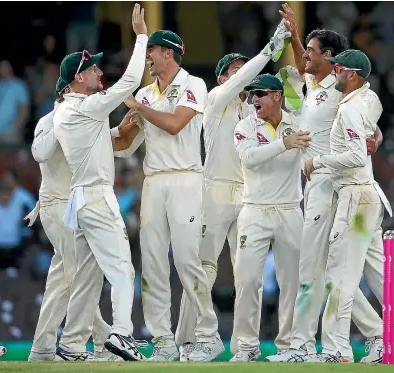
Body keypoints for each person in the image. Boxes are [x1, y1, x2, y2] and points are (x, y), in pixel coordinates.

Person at [266, 4, 389, 363]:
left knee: (311, 269)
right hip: (317, 183)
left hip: (331, 183)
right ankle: (377, 334)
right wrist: (291, 35)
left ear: (331, 58)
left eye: (312, 50)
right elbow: (302, 65)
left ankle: (302, 346)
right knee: (326, 271)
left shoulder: (339, 90)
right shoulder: (315, 85)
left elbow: (368, 115)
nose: (304, 55)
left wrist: (375, 139)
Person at [303, 49, 394, 363]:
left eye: (339, 69)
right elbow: (374, 108)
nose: (334, 72)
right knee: (380, 278)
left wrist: (317, 161)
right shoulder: (367, 100)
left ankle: (337, 350)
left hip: (355, 197)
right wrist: (375, 134)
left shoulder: (350, 110)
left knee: (339, 276)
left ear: (352, 74)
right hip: (367, 198)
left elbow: (354, 156)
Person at [174, 21, 291, 360]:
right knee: (203, 268)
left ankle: (245, 346)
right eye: (236, 72)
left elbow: (297, 111)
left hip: (249, 196)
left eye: (245, 71)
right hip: (214, 191)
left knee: (249, 275)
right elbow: (241, 80)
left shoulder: (256, 114)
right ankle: (191, 341)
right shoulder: (214, 99)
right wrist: (270, 50)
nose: (243, 77)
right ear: (223, 77)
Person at [52, 3, 147, 361]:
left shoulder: (69, 111)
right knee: (123, 269)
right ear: (78, 78)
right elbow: (129, 83)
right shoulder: (82, 106)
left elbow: (105, 142)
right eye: (91, 69)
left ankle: (72, 345)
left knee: (89, 278)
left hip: (82, 200)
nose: (97, 72)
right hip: (95, 198)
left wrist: (118, 132)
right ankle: (122, 335)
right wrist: (141, 39)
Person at [119, 29, 221, 362]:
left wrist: (140, 108)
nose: (148, 57)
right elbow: (125, 142)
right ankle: (162, 339)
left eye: (153, 51)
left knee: (187, 260)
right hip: (153, 182)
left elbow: (176, 124)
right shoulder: (145, 93)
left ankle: (208, 336)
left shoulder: (194, 85)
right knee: (152, 262)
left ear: (169, 53)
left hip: (186, 179)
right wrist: (97, 133)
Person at [26, 77, 140, 362]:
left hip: (74, 205)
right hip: (57, 205)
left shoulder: (80, 117)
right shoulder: (51, 119)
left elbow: (91, 142)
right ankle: (100, 342)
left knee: (64, 279)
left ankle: (42, 348)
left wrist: (117, 130)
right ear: (66, 91)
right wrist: (60, 116)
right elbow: (39, 152)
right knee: (81, 276)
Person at [230, 74, 310, 362]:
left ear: (277, 96)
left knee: (293, 282)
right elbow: (249, 158)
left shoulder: (298, 123)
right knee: (247, 279)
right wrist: (284, 144)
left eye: (261, 94)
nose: (254, 100)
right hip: (255, 210)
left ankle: (289, 346)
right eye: (252, 95)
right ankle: (247, 346)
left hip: (290, 209)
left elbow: (312, 153)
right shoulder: (245, 125)